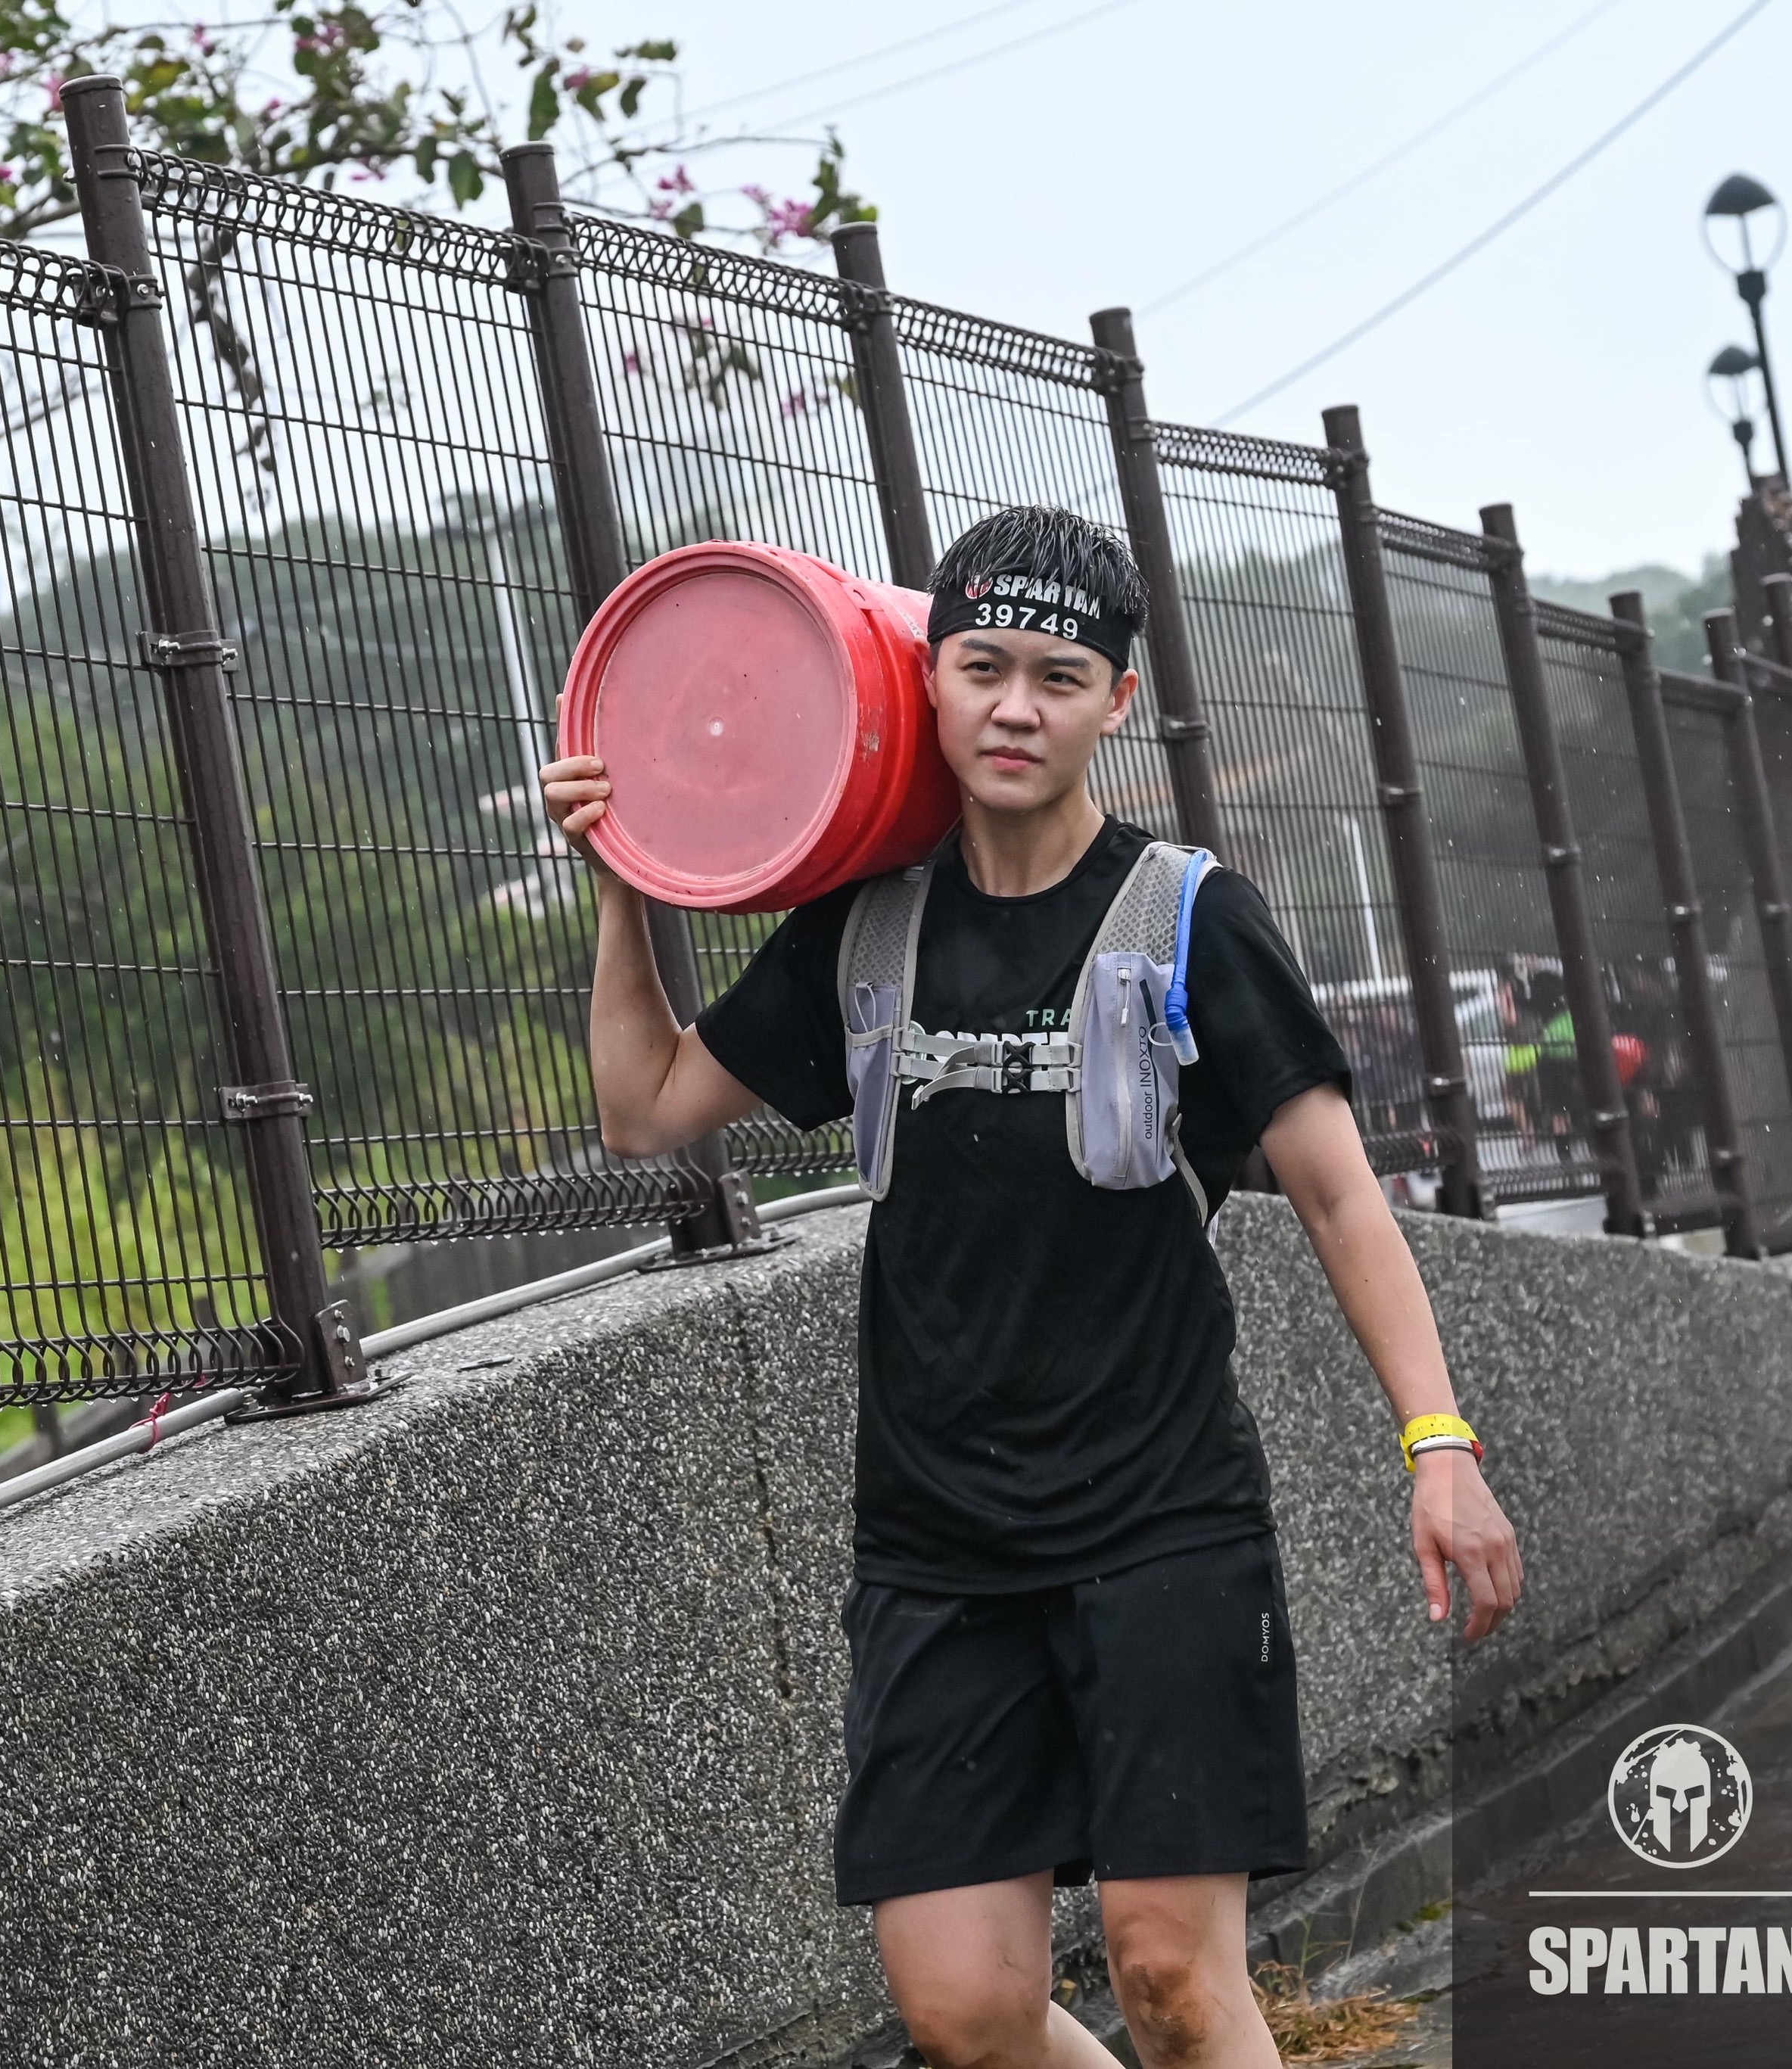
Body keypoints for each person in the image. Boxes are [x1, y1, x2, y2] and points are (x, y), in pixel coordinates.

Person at [538, 506, 1521, 2069]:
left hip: (1159, 1520)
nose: (1013, 706)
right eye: (980, 666)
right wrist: (617, 887)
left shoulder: (1189, 921)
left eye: (1056, 677)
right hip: (936, 1540)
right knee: (966, 2008)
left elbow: (1339, 1192)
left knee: (1170, 1980)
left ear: (1111, 703)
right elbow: (643, 1106)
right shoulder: (864, 927)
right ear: (921, 680)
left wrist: (1438, 1443)